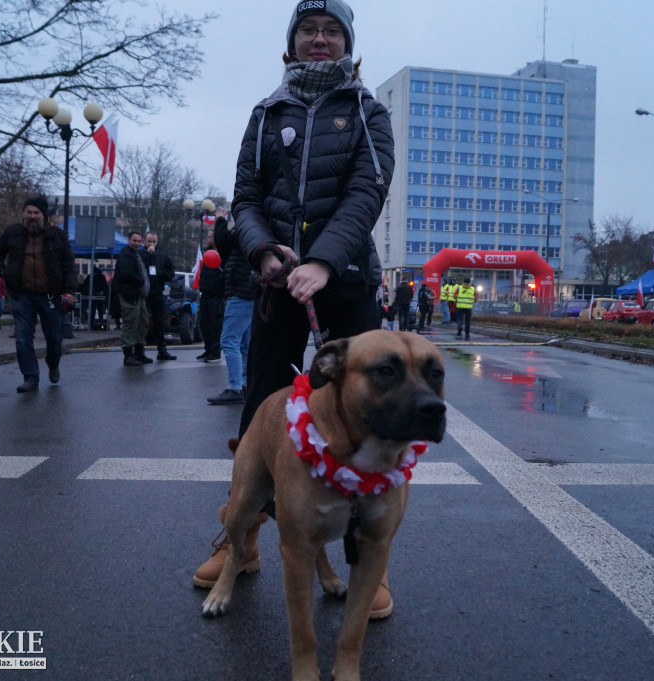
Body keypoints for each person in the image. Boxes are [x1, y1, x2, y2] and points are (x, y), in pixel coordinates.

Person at [193, 0, 397, 619]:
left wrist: (324, 261)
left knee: (364, 421)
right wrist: (261, 254)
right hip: (278, 283)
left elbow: (368, 191)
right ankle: (244, 540)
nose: (318, 39)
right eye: (308, 29)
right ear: (291, 41)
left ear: (347, 44)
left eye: (331, 31)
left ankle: (367, 559)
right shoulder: (266, 112)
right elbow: (245, 197)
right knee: (261, 412)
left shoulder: (369, 112)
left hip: (347, 281)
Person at [0, 196, 76, 393]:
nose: (32, 216)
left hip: (51, 296)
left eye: (36, 212)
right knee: (22, 338)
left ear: (43, 215)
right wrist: (2, 271)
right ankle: (30, 377)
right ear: (24, 214)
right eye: (28, 212)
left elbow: (69, 265)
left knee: (54, 338)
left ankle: (53, 364)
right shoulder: (13, 232)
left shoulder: (57, 235)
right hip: (22, 295)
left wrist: (70, 292)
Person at [207, 206, 256, 404]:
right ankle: (244, 384)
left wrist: (220, 219)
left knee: (229, 340)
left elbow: (222, 239)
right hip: (248, 294)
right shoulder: (254, 231)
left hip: (241, 294)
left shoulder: (244, 231)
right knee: (244, 344)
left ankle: (235, 387)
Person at [111, 231, 153, 366]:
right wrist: (140, 280)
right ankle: (128, 356)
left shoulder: (136, 255)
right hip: (130, 296)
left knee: (142, 323)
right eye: (134, 241)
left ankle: (139, 353)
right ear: (129, 240)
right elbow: (126, 273)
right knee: (131, 324)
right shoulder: (126, 254)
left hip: (139, 295)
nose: (137, 243)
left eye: (139, 241)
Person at [141, 232, 178, 361]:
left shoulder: (161, 256)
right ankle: (139, 351)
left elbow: (171, 271)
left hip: (157, 292)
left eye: (154, 242)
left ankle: (162, 350)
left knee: (159, 323)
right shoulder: (141, 255)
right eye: (149, 241)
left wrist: (162, 275)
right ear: (145, 241)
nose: (152, 244)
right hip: (144, 293)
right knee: (142, 323)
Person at [196, 227, 225, 362]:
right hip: (205, 295)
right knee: (204, 324)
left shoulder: (222, 255)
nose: (207, 239)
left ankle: (215, 351)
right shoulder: (207, 253)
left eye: (209, 237)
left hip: (216, 297)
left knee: (215, 326)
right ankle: (208, 350)